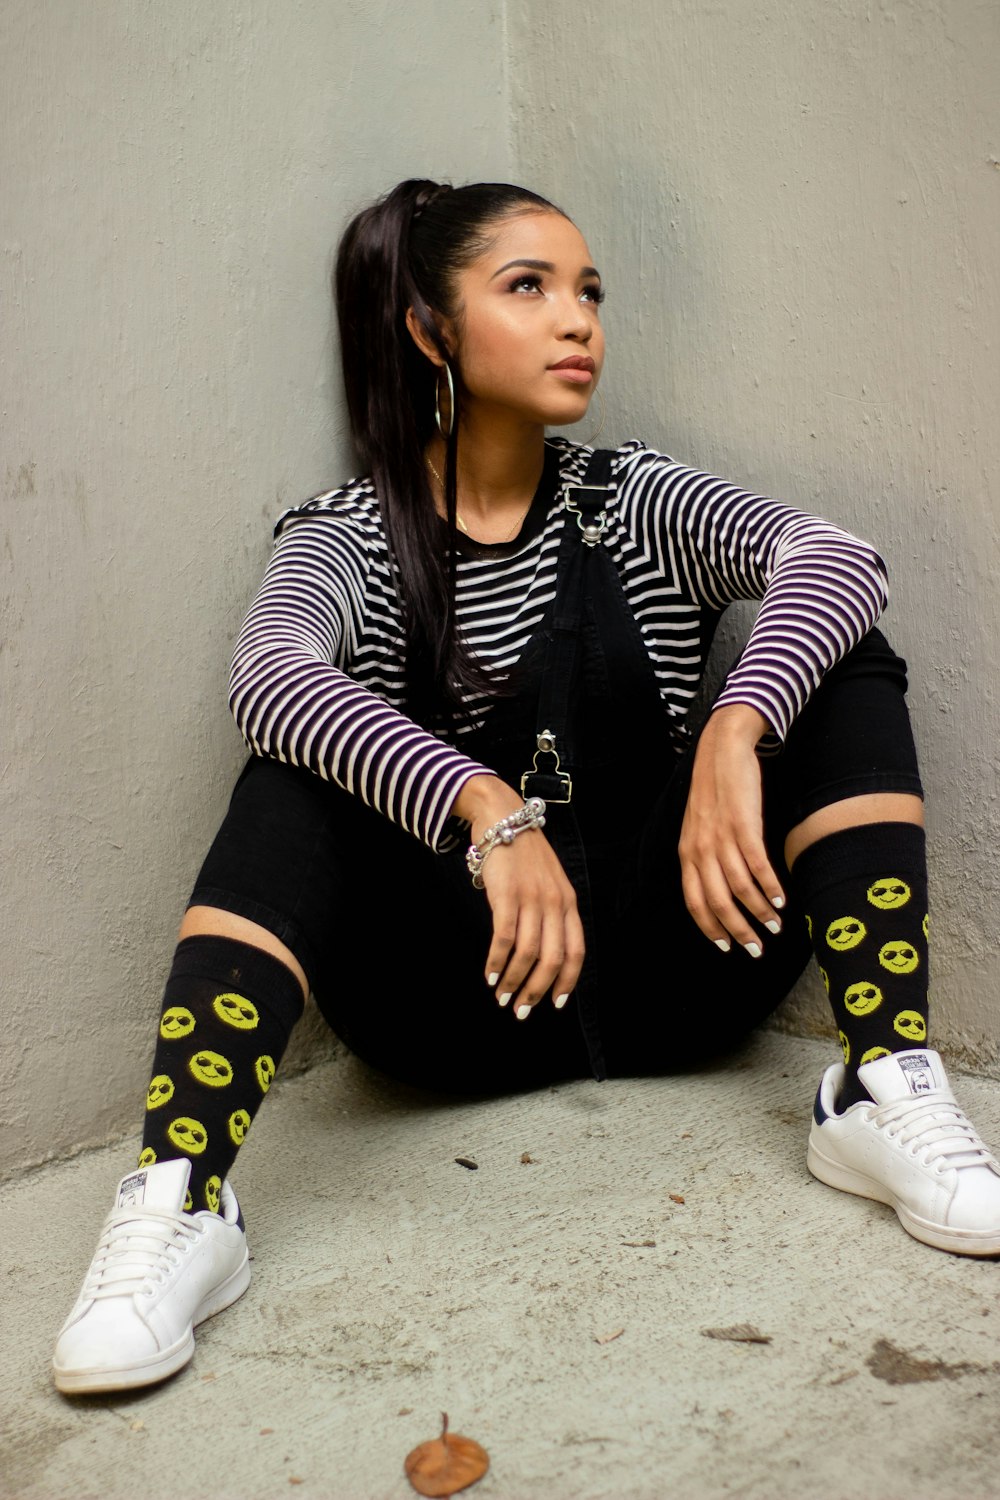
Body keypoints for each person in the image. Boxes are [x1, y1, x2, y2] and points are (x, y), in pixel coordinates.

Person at [53, 179, 1000, 1396]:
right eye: (529, 287)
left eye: (589, 291)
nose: (578, 321)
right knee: (293, 765)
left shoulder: (633, 498)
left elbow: (835, 556)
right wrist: (482, 809)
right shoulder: (348, 533)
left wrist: (733, 728)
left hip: (687, 963)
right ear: (426, 329)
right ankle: (180, 1197)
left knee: (842, 653)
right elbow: (271, 677)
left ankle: (880, 1083)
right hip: (458, 1004)